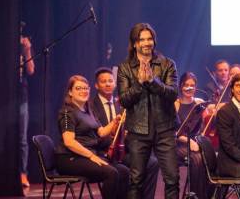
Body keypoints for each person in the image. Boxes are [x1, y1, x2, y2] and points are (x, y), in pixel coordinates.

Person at [117, 23, 179, 199]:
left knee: (172, 179)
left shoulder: (167, 64)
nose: (146, 43)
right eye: (141, 39)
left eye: (149, 38)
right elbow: (124, 100)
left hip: (165, 129)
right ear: (135, 43)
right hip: (138, 131)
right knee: (136, 180)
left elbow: (173, 94)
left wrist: (152, 81)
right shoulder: (125, 67)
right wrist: (139, 83)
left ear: (154, 41)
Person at [55, 75, 129, 199]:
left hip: (86, 156)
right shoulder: (67, 112)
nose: (83, 91)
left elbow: (101, 132)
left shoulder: (89, 110)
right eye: (78, 88)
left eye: (86, 88)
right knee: (111, 173)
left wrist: (114, 122)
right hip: (69, 158)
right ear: (70, 92)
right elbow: (69, 142)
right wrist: (91, 156)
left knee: (124, 171)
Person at [90, 67, 159, 199]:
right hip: (103, 152)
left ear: (115, 83)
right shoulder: (91, 106)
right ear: (96, 85)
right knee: (125, 171)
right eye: (103, 81)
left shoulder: (121, 104)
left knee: (152, 163)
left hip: (122, 151)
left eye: (110, 81)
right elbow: (95, 135)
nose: (108, 84)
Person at [174, 72, 214, 199]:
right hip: (178, 143)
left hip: (196, 142)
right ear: (181, 86)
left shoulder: (199, 102)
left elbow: (206, 125)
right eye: (186, 85)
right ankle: (196, 196)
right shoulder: (176, 104)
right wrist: (189, 141)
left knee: (211, 158)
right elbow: (173, 132)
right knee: (197, 159)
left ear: (196, 87)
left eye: (192, 85)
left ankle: (208, 194)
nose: (189, 88)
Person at [19, 25, 35, 187]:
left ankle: (23, 173)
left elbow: (30, 70)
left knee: (22, 139)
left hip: (21, 96)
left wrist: (27, 51)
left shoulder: (24, 45)